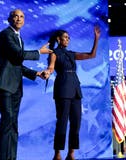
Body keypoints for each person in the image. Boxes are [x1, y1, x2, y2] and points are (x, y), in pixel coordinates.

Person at [0, 9, 52, 160]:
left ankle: (12, 157)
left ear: (24, 21)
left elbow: (16, 63)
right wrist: (39, 52)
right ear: (9, 19)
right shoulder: (6, 35)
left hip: (15, 86)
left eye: (22, 17)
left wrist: (35, 73)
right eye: (15, 16)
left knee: (13, 123)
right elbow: (19, 55)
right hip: (4, 85)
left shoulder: (19, 38)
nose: (18, 19)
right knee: (7, 121)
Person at [43, 25, 101, 160]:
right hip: (62, 88)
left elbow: (91, 55)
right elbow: (51, 67)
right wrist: (47, 72)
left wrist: (96, 39)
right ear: (59, 39)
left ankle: (71, 153)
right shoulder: (54, 53)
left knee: (76, 122)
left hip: (75, 89)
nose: (68, 40)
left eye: (69, 38)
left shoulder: (71, 54)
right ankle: (57, 153)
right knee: (62, 121)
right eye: (65, 37)